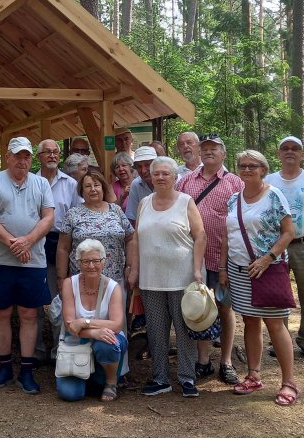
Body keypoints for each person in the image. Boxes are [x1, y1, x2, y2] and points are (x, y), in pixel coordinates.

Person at [220, 149, 299, 406]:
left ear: (263, 169)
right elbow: (227, 236)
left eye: (252, 165)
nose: (247, 169)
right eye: (242, 165)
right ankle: (253, 374)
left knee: (275, 324)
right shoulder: (234, 199)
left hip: (266, 269)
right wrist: (223, 268)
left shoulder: (273, 196)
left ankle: (289, 382)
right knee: (250, 321)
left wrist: (268, 258)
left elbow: (289, 232)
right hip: (239, 270)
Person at [0, 137, 55, 393]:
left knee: (29, 314)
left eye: (27, 157)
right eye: (18, 156)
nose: (22, 161)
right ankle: (4, 368)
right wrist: (15, 243)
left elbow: (48, 218)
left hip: (33, 262)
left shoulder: (41, 182)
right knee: (1, 313)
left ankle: (26, 370)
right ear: (8, 156)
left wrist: (29, 242)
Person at [128, 156, 206, 398]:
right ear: (150, 177)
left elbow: (200, 235)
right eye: (156, 173)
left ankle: (187, 378)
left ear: (175, 177)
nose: (160, 177)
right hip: (151, 280)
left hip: (181, 278)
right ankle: (160, 378)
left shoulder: (185, 202)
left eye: (165, 173)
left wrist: (196, 269)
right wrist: (135, 268)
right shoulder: (143, 203)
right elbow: (137, 238)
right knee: (156, 331)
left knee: (184, 330)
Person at [175, 133, 244, 385]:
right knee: (199, 308)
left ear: (224, 153)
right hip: (191, 258)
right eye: (205, 149)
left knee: (225, 309)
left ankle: (225, 361)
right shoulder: (184, 181)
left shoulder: (234, 183)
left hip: (222, 257)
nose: (208, 152)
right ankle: (203, 361)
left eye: (214, 148)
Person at [264, 135, 304, 360]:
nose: (290, 152)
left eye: (295, 149)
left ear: (302, 154)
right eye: (285, 148)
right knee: (278, 296)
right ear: (279, 154)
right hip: (276, 246)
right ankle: (280, 340)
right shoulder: (270, 180)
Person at [57, 239, 128, 402]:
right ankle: (88, 380)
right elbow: (70, 325)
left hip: (104, 343)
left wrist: (83, 322)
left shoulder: (113, 287)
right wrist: (95, 332)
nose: (91, 266)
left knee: (109, 342)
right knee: (70, 394)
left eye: (96, 261)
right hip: (77, 345)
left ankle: (110, 382)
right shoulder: (69, 284)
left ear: (103, 262)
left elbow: (117, 324)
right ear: (78, 263)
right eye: (85, 261)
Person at [35, 139, 83, 362]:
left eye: (56, 152)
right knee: (34, 298)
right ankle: (35, 350)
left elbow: (76, 215)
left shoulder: (70, 184)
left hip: (61, 244)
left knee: (59, 297)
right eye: (47, 152)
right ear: (39, 157)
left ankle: (59, 350)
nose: (52, 156)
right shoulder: (30, 181)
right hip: (34, 242)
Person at [124, 146, 157, 225]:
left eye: (147, 165)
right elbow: (132, 218)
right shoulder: (136, 184)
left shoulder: (173, 181)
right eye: (139, 166)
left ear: (156, 164)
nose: (143, 171)